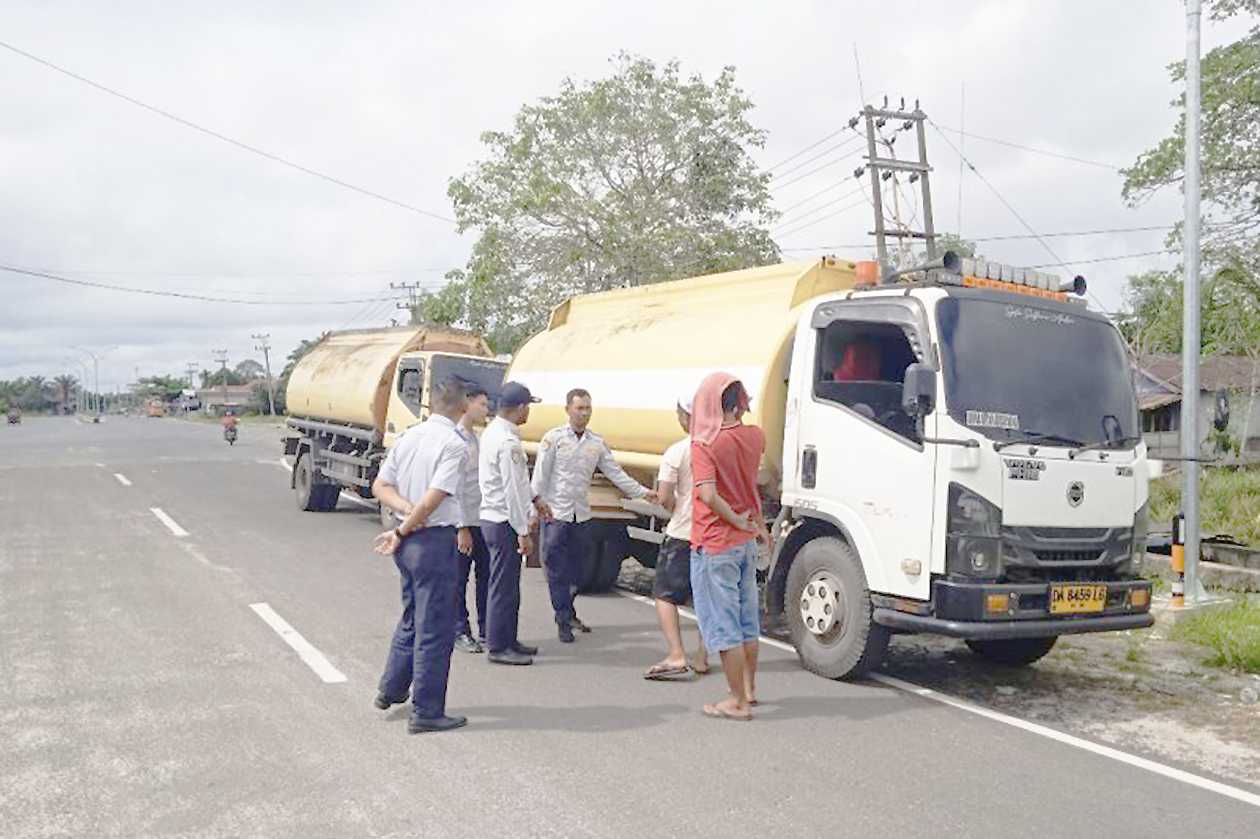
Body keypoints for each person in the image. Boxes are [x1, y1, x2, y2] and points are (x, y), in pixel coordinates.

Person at [370, 377, 471, 734]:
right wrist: (406, 524)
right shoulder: (453, 443)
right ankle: (426, 710)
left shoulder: (409, 436)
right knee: (435, 628)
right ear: (462, 407)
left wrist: (403, 516)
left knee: (414, 616)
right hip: (430, 541)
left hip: (410, 540)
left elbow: (380, 486)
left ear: (429, 407)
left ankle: (392, 687)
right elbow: (435, 497)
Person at [531, 388, 656, 643]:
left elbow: (615, 473)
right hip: (555, 513)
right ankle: (563, 617)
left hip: (581, 514)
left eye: (588, 409)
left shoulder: (595, 443)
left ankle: (568, 607)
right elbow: (540, 476)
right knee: (555, 568)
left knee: (577, 570)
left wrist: (643, 493)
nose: (584, 414)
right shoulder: (553, 439)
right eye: (579, 408)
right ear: (568, 410)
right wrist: (533, 507)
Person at [689, 373, 769, 722]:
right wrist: (754, 526)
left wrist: (733, 520)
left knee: (724, 627)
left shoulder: (704, 444)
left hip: (716, 541)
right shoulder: (755, 436)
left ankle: (735, 701)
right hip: (746, 542)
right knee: (748, 621)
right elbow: (752, 486)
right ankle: (749, 690)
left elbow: (707, 494)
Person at [479, 382, 546, 666]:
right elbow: (512, 490)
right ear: (519, 407)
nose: (529, 411)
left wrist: (535, 499)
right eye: (527, 406)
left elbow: (519, 484)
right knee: (503, 587)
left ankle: (508, 639)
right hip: (503, 520)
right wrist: (523, 531)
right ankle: (498, 645)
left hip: (497, 517)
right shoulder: (506, 442)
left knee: (508, 586)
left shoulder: (495, 433)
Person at [644, 393, 709, 681]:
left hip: (683, 532)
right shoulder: (717, 449)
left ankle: (676, 653)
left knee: (665, 595)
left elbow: (665, 496)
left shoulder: (677, 452)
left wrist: (671, 506)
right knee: (706, 597)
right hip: (713, 534)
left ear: (684, 416)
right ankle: (703, 656)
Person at [451, 383, 492, 654]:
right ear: (467, 404)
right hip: (462, 522)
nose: (486, 410)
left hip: (482, 519)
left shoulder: (477, 438)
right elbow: (453, 488)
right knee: (458, 579)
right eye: (482, 404)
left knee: (486, 577)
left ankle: (488, 629)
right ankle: (460, 630)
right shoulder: (455, 440)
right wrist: (462, 527)